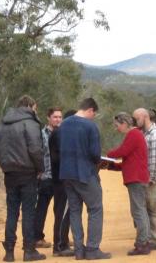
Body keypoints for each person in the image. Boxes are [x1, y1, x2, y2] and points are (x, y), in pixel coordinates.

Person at [0, 95, 46, 262]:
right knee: (29, 212)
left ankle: (9, 252)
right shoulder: (30, 123)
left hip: (10, 173)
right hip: (27, 172)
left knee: (12, 212)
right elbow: (35, 149)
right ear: (31, 106)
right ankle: (28, 251)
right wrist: (40, 168)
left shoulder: (4, 123)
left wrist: (4, 166)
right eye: (35, 107)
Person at [59, 98, 111, 260]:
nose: (93, 117)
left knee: (74, 210)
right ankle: (93, 249)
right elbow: (95, 153)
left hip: (67, 174)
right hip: (85, 173)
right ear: (90, 110)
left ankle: (79, 250)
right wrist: (100, 162)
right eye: (93, 114)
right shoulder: (90, 126)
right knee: (95, 209)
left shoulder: (64, 124)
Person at [106, 112, 150, 256]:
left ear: (124, 124)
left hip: (136, 179)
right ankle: (144, 241)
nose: (117, 128)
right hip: (138, 177)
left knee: (138, 211)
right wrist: (113, 166)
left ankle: (142, 243)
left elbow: (122, 152)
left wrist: (108, 155)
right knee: (140, 210)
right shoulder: (136, 135)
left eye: (117, 125)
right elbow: (130, 160)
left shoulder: (133, 135)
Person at [133, 108, 156, 250]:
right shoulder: (145, 134)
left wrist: (150, 178)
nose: (135, 122)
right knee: (148, 208)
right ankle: (151, 238)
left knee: (154, 208)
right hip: (147, 178)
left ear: (144, 117)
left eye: (136, 119)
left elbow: (155, 159)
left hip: (153, 178)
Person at [49, 109, 76, 257]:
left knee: (63, 212)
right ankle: (59, 245)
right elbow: (58, 157)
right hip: (62, 179)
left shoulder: (61, 132)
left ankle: (62, 242)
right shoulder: (60, 134)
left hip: (61, 178)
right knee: (62, 212)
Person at [34, 107, 62, 249]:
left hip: (61, 177)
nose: (58, 119)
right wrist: (39, 172)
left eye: (59, 117)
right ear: (48, 118)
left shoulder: (63, 134)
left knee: (60, 209)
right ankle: (37, 237)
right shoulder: (41, 134)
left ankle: (62, 238)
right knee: (42, 208)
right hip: (46, 176)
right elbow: (37, 154)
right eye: (55, 117)